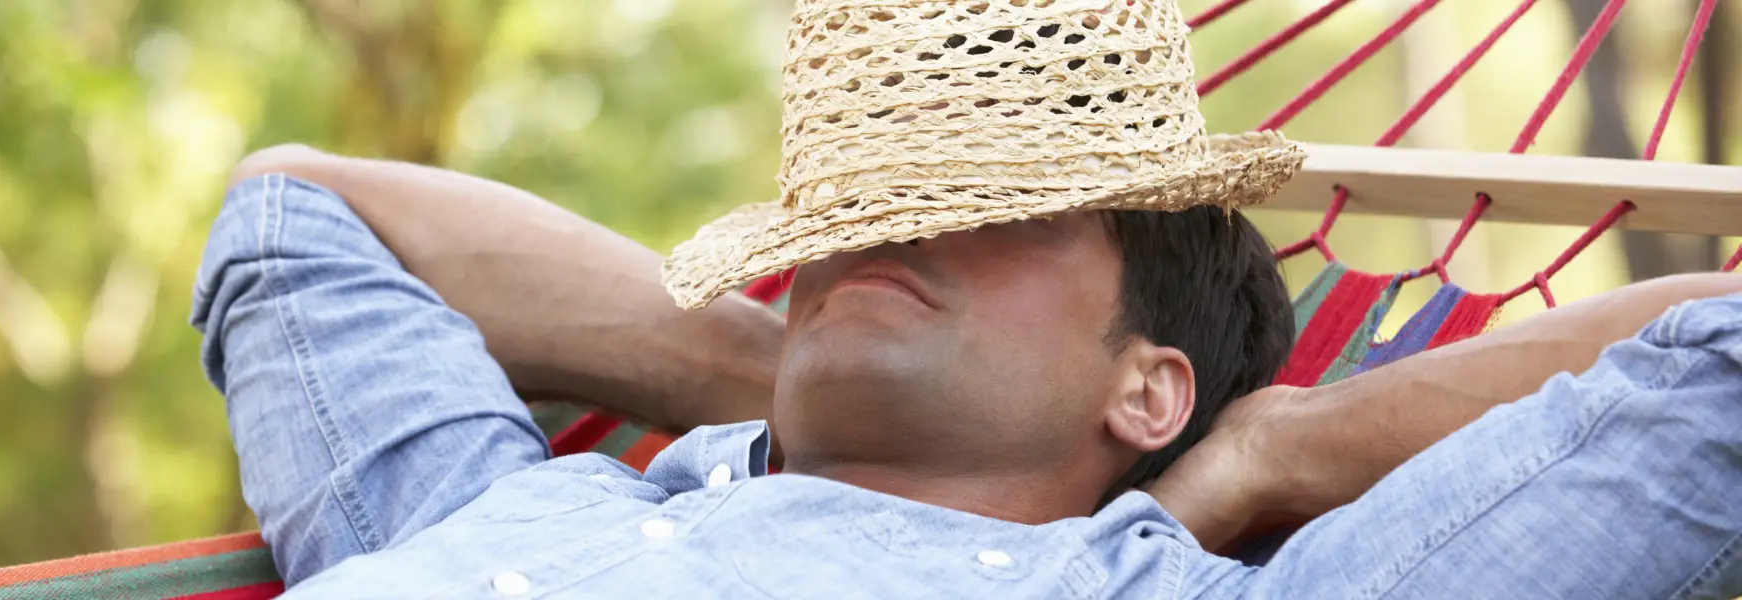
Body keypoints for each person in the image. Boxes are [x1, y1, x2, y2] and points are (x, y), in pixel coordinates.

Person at [192, 1, 1742, 597]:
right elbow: (298, 214)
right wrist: (774, 365)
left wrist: (1283, 452)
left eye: (992, 211)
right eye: (856, 219)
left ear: (1150, 387)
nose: (867, 242)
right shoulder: (489, 509)